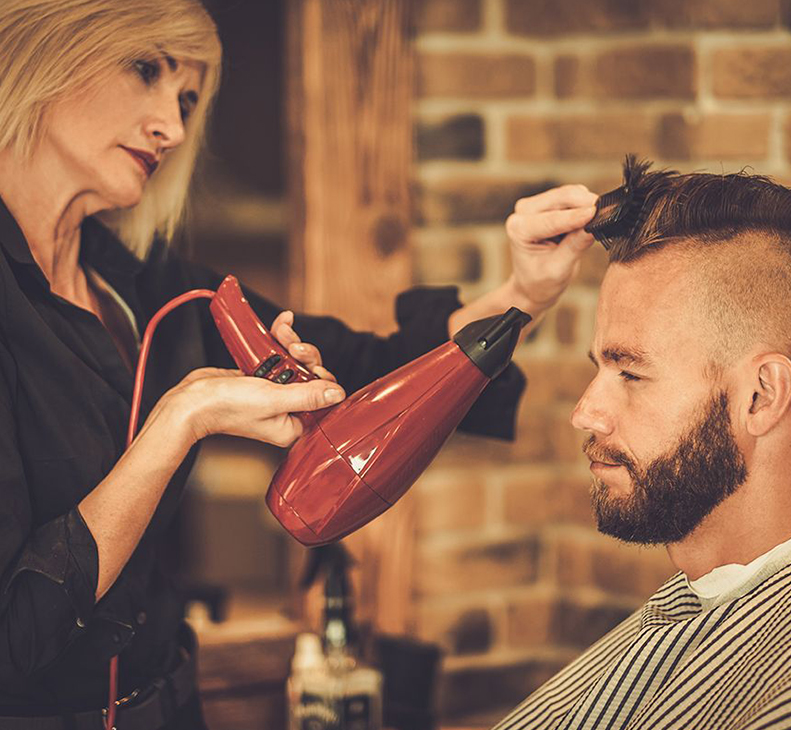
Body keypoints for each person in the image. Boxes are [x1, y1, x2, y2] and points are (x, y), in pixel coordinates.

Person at [0, 1, 600, 727]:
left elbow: (380, 369)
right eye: (145, 71)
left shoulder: (151, 288)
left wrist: (522, 294)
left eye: (187, 99)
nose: (174, 128)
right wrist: (178, 422)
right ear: (44, 53)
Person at [494, 158, 791, 730]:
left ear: (760, 397)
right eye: (600, 370)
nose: (585, 414)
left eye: (630, 373)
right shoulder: (703, 601)